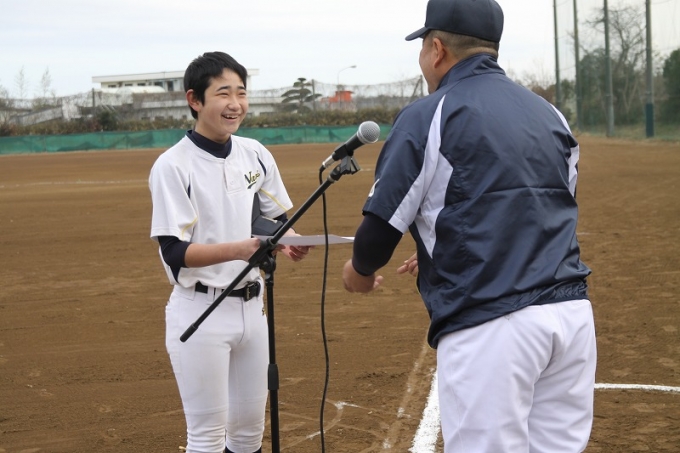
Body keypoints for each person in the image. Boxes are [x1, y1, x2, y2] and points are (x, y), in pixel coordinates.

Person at [341, 0, 596, 451]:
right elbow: (546, 206)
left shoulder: (428, 114)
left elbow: (378, 233)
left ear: (437, 49)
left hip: (491, 323)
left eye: (423, 45)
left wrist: (359, 271)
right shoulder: (548, 113)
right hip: (571, 317)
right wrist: (441, 242)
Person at [149, 51, 310, 453]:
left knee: (248, 435)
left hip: (252, 310)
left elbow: (271, 216)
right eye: (223, 93)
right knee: (206, 438)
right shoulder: (173, 165)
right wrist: (240, 250)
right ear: (194, 99)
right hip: (200, 311)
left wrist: (289, 239)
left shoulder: (254, 153)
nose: (235, 103)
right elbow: (174, 252)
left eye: (241, 92)